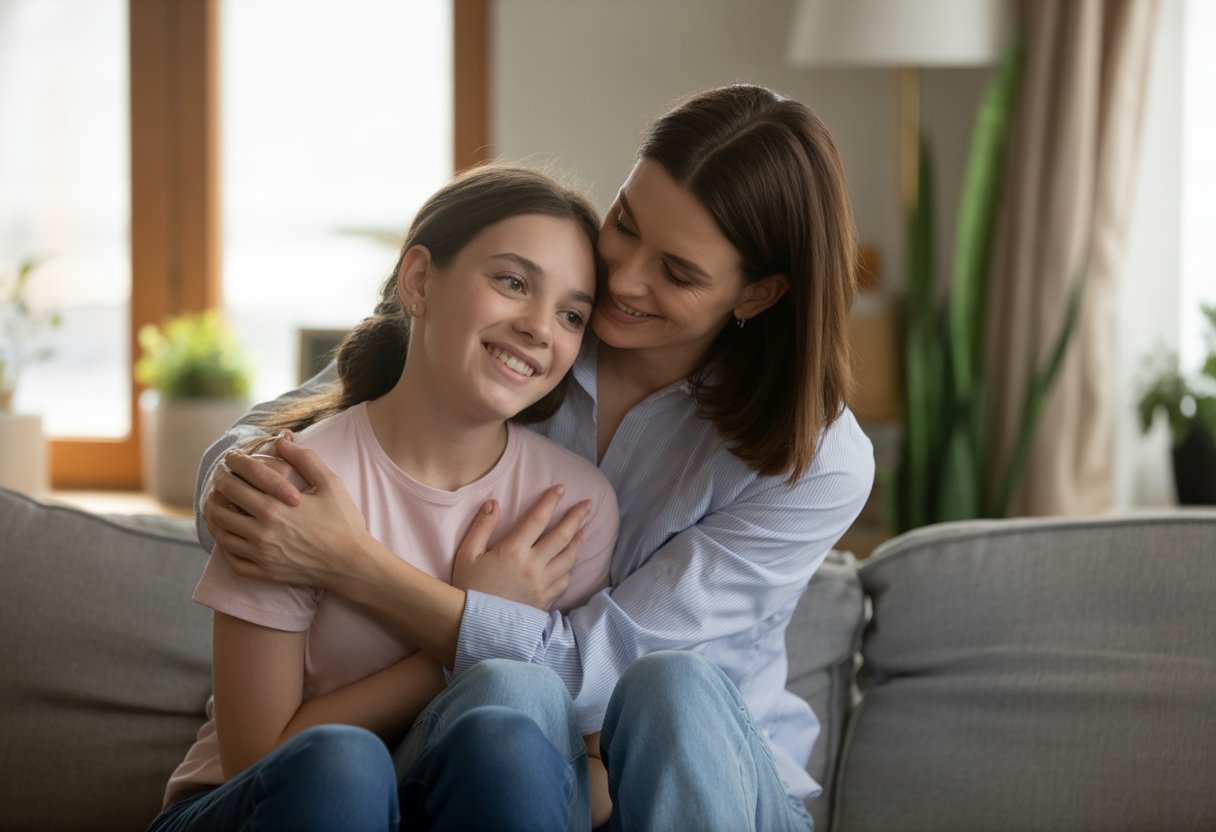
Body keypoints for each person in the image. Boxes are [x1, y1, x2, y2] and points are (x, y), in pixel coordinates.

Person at [200, 84, 875, 831]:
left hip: (703, 780)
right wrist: (254, 493)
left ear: (758, 294)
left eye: (677, 273)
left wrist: (352, 562)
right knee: (507, 699)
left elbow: (597, 677)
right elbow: (307, 422)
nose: (623, 279)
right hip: (499, 759)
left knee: (671, 688)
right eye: (625, 223)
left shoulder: (816, 460)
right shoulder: (539, 324)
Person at [151, 164, 621, 831]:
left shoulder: (574, 505)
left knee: (509, 738)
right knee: (343, 766)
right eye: (513, 282)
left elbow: (597, 771)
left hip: (448, 805)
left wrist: (485, 653)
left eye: (572, 314)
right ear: (420, 281)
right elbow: (260, 758)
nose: (541, 327)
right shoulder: (294, 482)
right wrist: (471, 632)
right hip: (263, 805)